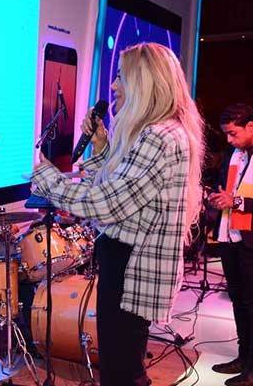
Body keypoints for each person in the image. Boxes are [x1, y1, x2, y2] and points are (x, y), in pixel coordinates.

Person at [31, 43, 205, 385]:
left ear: (144, 82)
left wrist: (46, 178)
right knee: (122, 363)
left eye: (121, 77)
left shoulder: (158, 136)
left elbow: (108, 204)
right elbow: (120, 190)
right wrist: (101, 146)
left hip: (131, 263)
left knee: (121, 369)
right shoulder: (161, 131)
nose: (113, 86)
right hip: (128, 260)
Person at [209, 103, 253, 386]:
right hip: (229, 235)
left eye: (233, 133)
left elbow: (237, 197)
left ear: (251, 126)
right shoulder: (233, 153)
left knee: (251, 303)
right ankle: (243, 357)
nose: (228, 139)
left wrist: (235, 201)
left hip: (250, 239)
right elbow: (225, 187)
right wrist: (216, 197)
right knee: (238, 300)